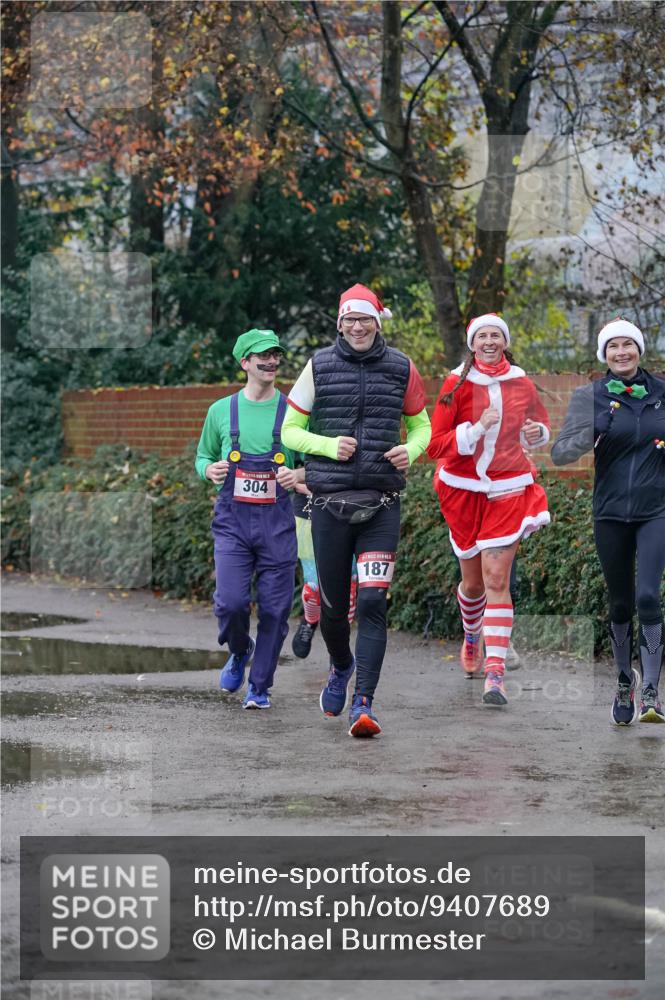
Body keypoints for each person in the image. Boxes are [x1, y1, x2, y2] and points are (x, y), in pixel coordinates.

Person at [281, 283, 431, 737]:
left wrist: (413, 450)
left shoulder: (403, 366)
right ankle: (340, 666)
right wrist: (327, 446)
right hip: (327, 503)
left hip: (381, 504)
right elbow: (289, 430)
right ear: (340, 324)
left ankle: (363, 703)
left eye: (365, 319)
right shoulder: (318, 366)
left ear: (377, 323)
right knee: (331, 610)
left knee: (370, 602)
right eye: (350, 319)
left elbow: (422, 424)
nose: (357, 326)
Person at [427, 314, 551, 706]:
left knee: (497, 578)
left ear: (505, 341)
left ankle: (494, 672)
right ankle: (470, 636)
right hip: (463, 492)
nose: (489, 340)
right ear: (472, 343)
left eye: (496, 334)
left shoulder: (521, 381)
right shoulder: (455, 384)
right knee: (474, 584)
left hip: (509, 487)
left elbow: (541, 425)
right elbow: (435, 446)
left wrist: (537, 434)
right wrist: (476, 428)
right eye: (482, 335)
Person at [551, 318, 665, 725]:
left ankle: (651, 688)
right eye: (613, 346)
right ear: (604, 354)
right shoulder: (590, 396)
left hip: (656, 510)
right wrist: (585, 438)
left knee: (648, 596)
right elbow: (560, 453)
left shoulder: (662, 393)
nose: (621, 352)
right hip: (610, 512)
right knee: (620, 602)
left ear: (639, 350)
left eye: (628, 345)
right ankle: (623, 680)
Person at [195, 329, 299, 710]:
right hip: (233, 526)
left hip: (277, 526)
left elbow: (313, 466)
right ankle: (240, 650)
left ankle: (259, 686)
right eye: (262, 356)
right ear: (244, 363)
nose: (271, 361)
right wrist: (209, 471)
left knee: (274, 610)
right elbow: (202, 457)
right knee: (232, 602)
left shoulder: (294, 411)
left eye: (275, 355)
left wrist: (298, 477)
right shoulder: (221, 411)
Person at [291, 480, 358, 658]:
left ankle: (339, 654)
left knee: (348, 586)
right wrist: (300, 484)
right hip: (309, 511)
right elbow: (284, 468)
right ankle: (310, 619)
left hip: (351, 509)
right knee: (313, 587)